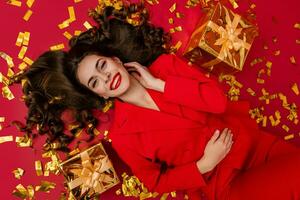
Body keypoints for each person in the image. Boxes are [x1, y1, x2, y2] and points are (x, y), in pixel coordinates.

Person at [14, 2, 300, 200]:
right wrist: (202, 165)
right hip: (226, 183)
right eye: (95, 82)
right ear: (99, 94)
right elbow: (155, 181)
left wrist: (159, 84)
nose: (105, 78)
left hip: (257, 146)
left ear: (114, 59)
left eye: (102, 66)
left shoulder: (165, 68)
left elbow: (217, 102)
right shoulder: (123, 137)